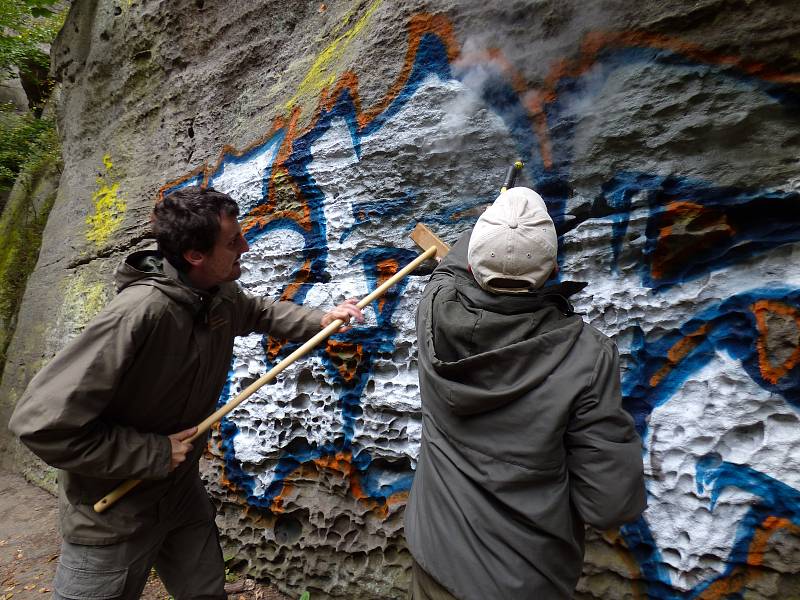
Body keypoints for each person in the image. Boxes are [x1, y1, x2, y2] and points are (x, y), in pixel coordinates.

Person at [9, 186, 364, 600]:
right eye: (233, 242)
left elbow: (257, 312)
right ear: (195, 255)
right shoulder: (140, 314)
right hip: (112, 512)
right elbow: (40, 425)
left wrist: (322, 319)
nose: (245, 247)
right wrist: (153, 453)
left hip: (180, 495)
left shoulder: (216, 294)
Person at [404, 186, 646, 599]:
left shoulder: (433, 309)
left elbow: (454, 267)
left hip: (434, 561)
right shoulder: (586, 356)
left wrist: (498, 224)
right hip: (526, 579)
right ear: (552, 269)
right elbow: (610, 505)